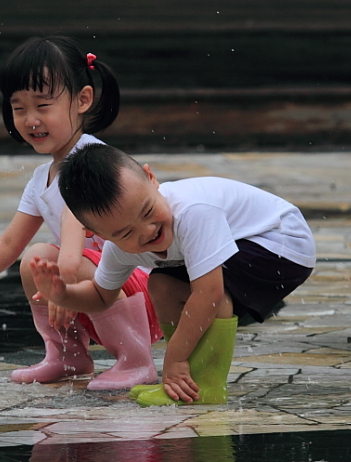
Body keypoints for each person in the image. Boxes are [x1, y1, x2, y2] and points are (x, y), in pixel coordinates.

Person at [0, 36, 161, 391]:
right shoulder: (43, 177)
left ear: (83, 99)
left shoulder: (91, 162)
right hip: (89, 287)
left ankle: (135, 360)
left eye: (43, 105)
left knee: (64, 260)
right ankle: (67, 355)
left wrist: (63, 285)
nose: (31, 119)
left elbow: (74, 227)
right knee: (33, 258)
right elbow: (9, 241)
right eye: (19, 108)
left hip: (141, 292)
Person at [29, 143, 316, 406]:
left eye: (148, 210)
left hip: (281, 242)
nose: (147, 230)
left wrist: (174, 359)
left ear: (151, 178)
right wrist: (63, 295)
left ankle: (204, 384)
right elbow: (102, 297)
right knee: (164, 285)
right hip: (256, 244)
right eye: (126, 233)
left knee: (206, 293)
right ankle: (188, 384)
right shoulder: (119, 251)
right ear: (93, 232)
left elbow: (210, 294)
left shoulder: (193, 212)